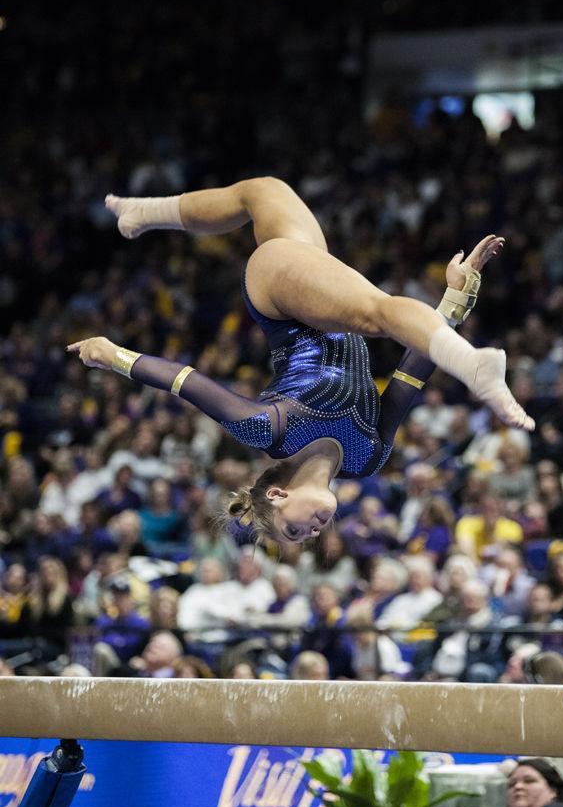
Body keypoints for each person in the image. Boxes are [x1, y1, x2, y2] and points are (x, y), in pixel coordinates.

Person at [67, 180, 533, 545]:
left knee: (376, 314)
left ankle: (474, 368)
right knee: (263, 192)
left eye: (294, 530)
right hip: (324, 298)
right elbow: (409, 377)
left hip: (280, 301)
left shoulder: (271, 431)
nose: (313, 532)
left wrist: (114, 355)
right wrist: (453, 302)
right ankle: (143, 212)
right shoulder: (367, 459)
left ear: (277, 494)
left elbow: (187, 382)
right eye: (310, 537)